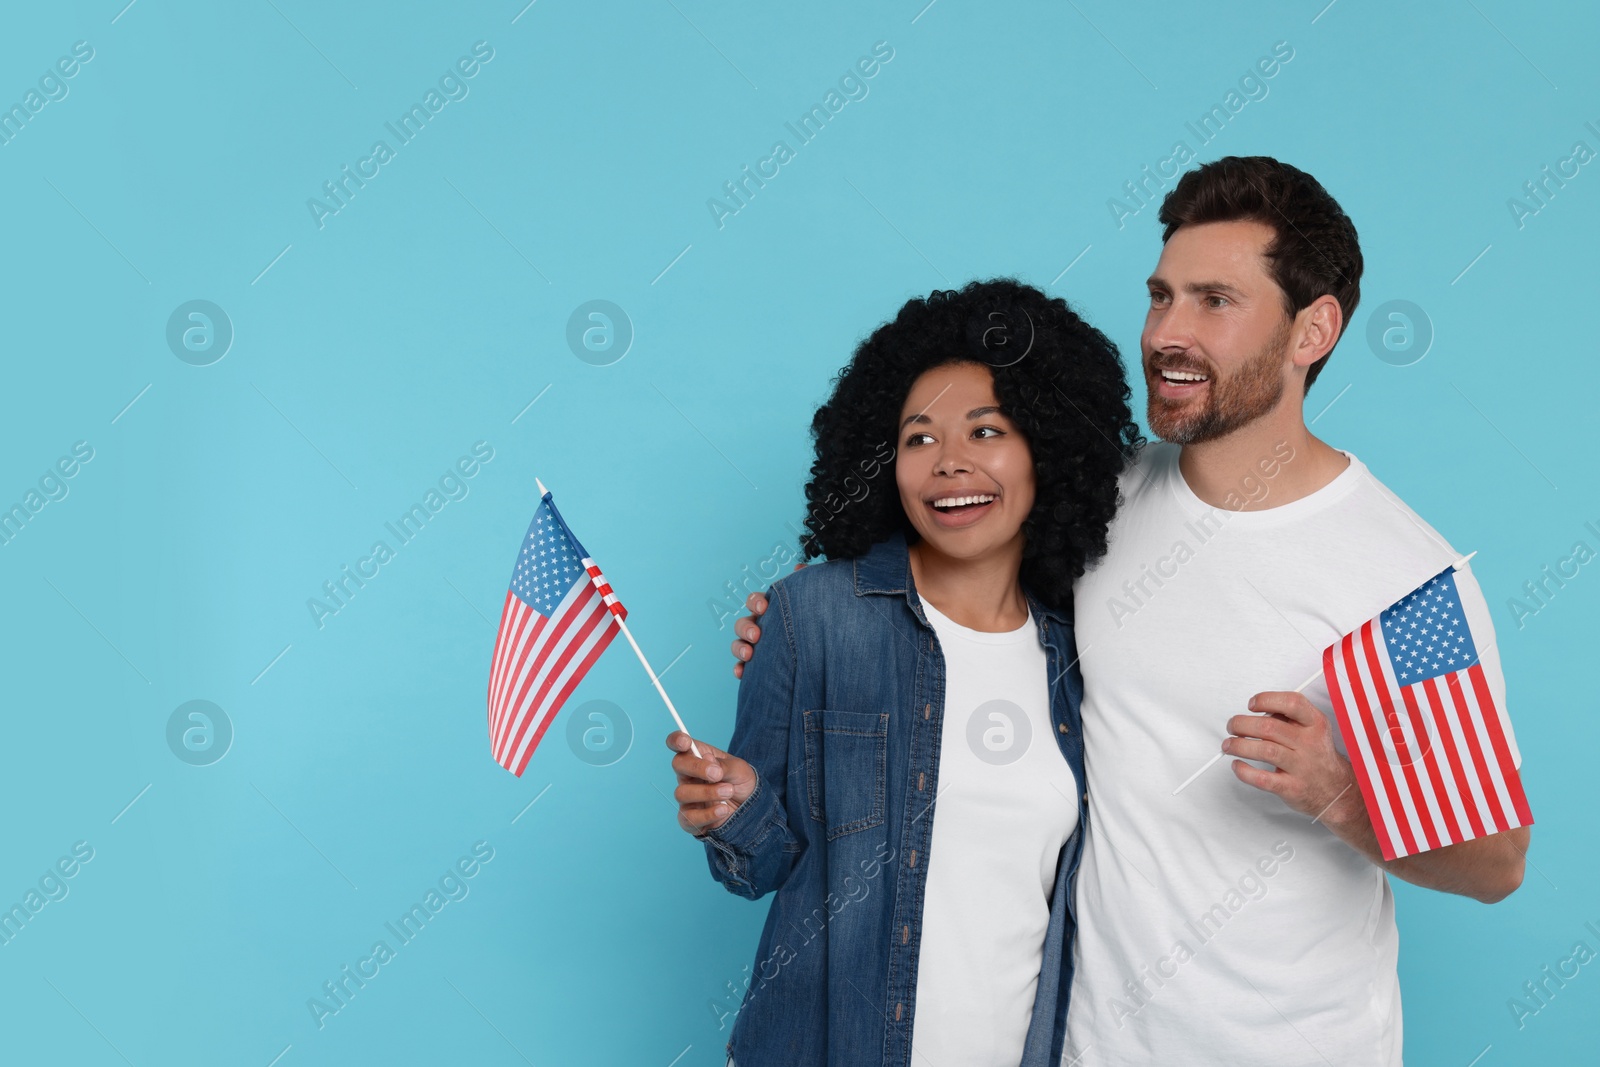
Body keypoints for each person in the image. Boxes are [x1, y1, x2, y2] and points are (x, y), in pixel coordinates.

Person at [731, 157, 1530, 1065]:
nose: (1168, 333)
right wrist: (798, 629)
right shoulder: (1102, 500)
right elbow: (953, 598)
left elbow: (1498, 861)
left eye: (1215, 301)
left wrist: (1343, 796)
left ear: (1314, 330)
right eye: (1162, 296)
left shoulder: (1406, 579)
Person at [667, 279, 1142, 1066]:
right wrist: (734, 809)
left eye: (985, 431)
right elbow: (761, 865)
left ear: (1048, 450)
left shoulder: (1077, 653)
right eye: (918, 439)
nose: (948, 463)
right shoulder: (811, 615)